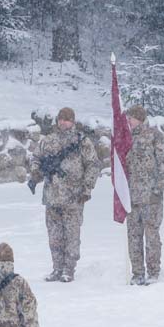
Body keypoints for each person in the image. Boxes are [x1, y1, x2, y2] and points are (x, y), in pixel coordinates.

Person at [28, 107, 99, 282]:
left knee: (72, 236)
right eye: (61, 119)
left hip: (73, 198)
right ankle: (57, 268)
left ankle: (69, 269)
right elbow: (35, 158)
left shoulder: (82, 141)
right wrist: (36, 171)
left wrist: (86, 188)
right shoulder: (48, 140)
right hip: (52, 197)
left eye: (67, 119)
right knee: (54, 237)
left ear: (73, 121)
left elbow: (93, 165)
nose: (63, 122)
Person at [123, 105, 164, 285]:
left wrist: (158, 190)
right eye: (128, 118)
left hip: (151, 198)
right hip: (132, 198)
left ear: (140, 118)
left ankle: (153, 272)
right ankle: (137, 273)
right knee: (133, 237)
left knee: (151, 236)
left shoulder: (155, 136)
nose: (128, 121)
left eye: (131, 118)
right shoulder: (125, 138)